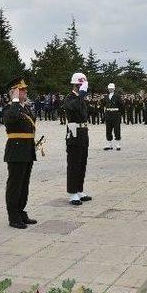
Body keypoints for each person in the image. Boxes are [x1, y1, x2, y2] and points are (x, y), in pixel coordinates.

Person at [2, 77, 38, 229]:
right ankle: (13, 216)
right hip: (16, 149)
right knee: (15, 184)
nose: (25, 91)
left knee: (24, 184)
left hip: (27, 148)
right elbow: (11, 119)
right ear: (14, 92)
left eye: (24, 89)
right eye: (22, 89)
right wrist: (15, 100)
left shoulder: (25, 107)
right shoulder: (10, 108)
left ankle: (21, 211)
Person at [63, 73, 92, 206]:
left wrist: (82, 96)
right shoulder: (70, 98)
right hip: (74, 133)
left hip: (83, 132)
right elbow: (72, 107)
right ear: (76, 85)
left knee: (82, 163)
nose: (83, 89)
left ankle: (79, 189)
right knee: (74, 163)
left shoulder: (81, 99)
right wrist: (81, 95)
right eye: (81, 86)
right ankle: (72, 192)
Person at [102, 83, 123, 151]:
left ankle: (117, 144)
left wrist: (120, 114)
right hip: (108, 114)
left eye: (111, 88)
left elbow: (121, 105)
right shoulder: (106, 96)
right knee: (108, 130)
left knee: (117, 129)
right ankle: (109, 144)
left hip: (116, 114)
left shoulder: (117, 96)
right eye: (109, 88)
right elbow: (104, 105)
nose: (110, 89)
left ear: (114, 89)